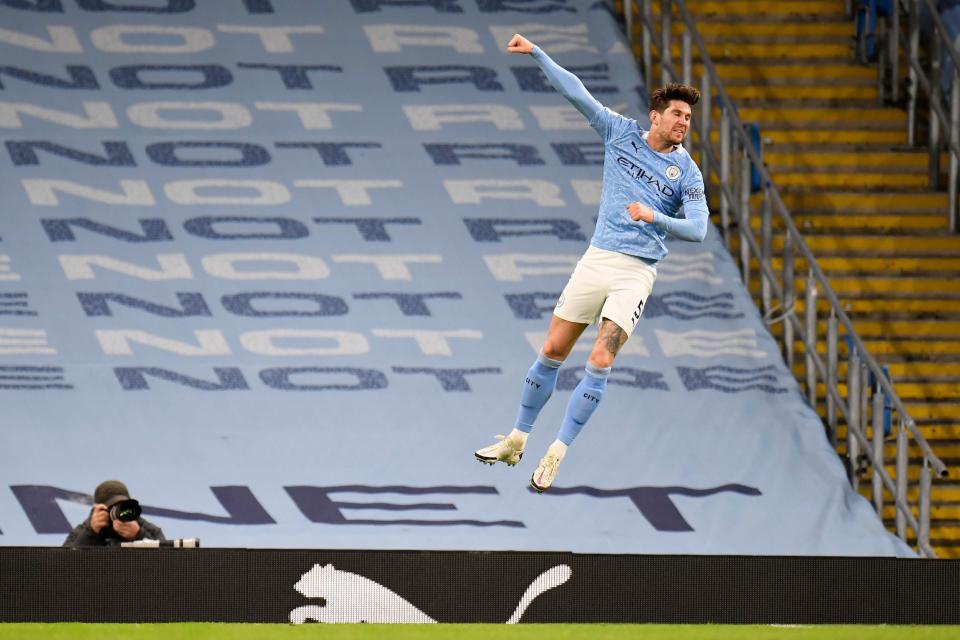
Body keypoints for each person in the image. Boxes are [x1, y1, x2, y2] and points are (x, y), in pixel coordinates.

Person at [475, 34, 709, 493]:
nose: (684, 122)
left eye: (688, 117)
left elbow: (698, 229)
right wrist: (539, 54)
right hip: (597, 258)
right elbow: (576, 92)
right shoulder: (620, 133)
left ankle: (556, 452)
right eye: (677, 114)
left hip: (635, 271)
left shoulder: (688, 173)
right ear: (655, 116)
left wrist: (655, 216)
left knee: (601, 356)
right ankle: (516, 440)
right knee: (552, 352)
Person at [63, 480, 165, 547]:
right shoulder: (81, 532)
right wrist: (91, 533)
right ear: (96, 509)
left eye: (122, 507)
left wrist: (138, 535)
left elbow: (167, 565)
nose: (117, 513)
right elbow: (63, 568)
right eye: (111, 508)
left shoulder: (149, 530)